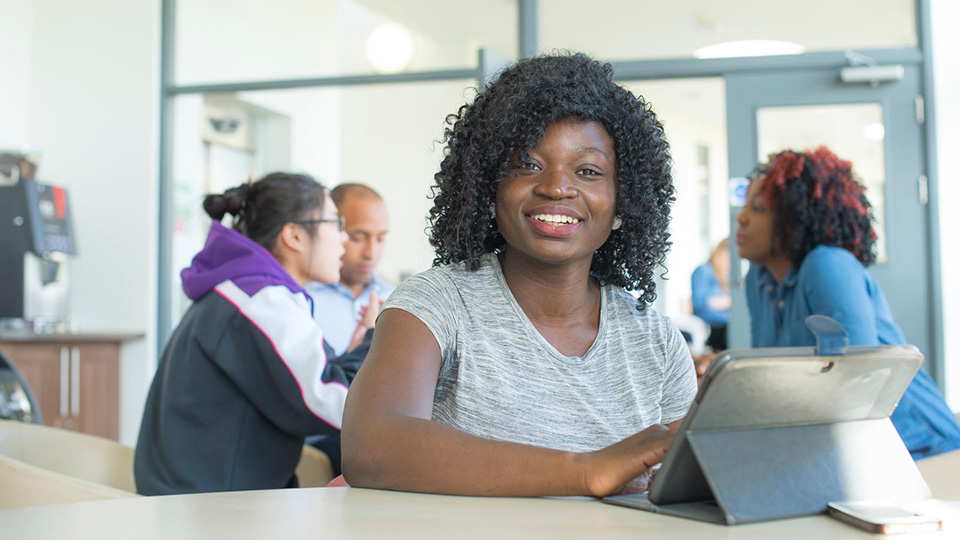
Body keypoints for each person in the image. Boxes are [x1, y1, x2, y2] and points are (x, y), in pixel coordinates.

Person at [340, 53, 697, 497]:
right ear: (490, 188)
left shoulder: (657, 342)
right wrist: (586, 471)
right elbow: (372, 448)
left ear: (622, 203)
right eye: (527, 165)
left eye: (587, 171)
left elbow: (694, 481)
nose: (557, 187)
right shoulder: (436, 304)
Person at [134, 172, 374, 495]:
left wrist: (359, 352)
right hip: (214, 512)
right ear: (294, 236)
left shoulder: (243, 288)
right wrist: (378, 338)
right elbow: (336, 406)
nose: (344, 239)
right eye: (336, 224)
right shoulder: (262, 299)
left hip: (197, 496)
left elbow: (307, 384)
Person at [733, 146, 960, 459]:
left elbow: (859, 389)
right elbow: (771, 380)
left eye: (757, 208)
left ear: (795, 218)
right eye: (745, 205)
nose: (741, 217)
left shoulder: (827, 266)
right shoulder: (759, 280)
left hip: (923, 449)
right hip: (845, 449)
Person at [306, 183, 394, 356]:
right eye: (358, 238)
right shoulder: (303, 299)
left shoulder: (396, 299)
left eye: (381, 239)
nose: (371, 253)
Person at [691, 239, 731, 351]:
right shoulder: (704, 270)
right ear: (720, 252)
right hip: (712, 327)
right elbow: (699, 303)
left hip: (726, 326)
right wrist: (729, 302)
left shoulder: (725, 277)